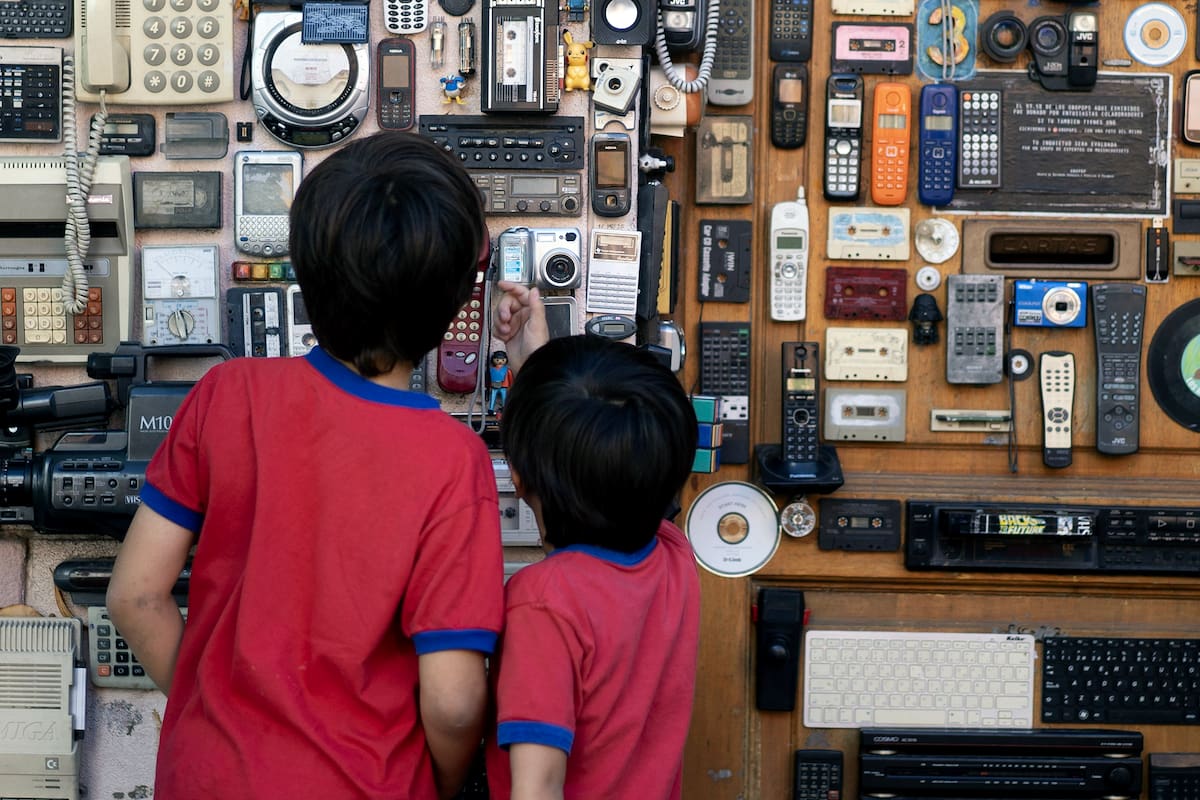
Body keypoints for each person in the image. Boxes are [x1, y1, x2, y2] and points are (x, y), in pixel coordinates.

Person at [106, 132, 504, 800]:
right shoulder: (452, 460)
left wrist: (216, 718)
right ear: (454, 301)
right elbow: (455, 702)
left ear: (305, 270)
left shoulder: (226, 395)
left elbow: (135, 596)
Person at [482, 317, 702, 800]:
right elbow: (619, 458)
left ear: (517, 478)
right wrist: (533, 366)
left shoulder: (543, 603)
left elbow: (536, 788)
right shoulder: (673, 555)